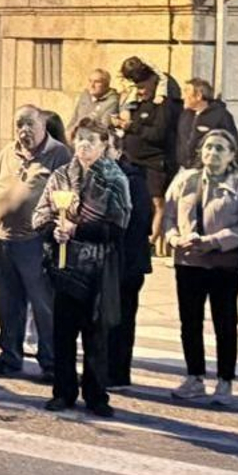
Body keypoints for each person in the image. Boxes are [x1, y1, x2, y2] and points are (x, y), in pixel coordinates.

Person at [32, 118, 131, 418]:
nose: (85, 145)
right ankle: (63, 390)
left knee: (96, 336)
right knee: (63, 334)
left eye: (92, 139)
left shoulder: (115, 179)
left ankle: (96, 393)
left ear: (103, 145)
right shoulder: (61, 175)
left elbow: (117, 227)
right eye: (81, 139)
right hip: (64, 267)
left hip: (98, 269)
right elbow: (39, 216)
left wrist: (77, 230)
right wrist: (54, 229)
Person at [162, 129, 238, 405]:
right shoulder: (184, 181)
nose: (212, 153)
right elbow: (169, 216)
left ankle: (225, 381)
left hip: (221, 266)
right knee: (189, 322)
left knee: (225, 323)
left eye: (220, 149)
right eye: (209, 147)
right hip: (188, 263)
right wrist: (174, 238)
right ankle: (194, 377)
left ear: (231, 155)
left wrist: (212, 241)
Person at [0, 106, 71, 380]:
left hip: (36, 240)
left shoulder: (58, 154)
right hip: (3, 237)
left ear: (43, 124)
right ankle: (9, 355)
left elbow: (67, 195)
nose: (24, 131)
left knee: (43, 303)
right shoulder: (7, 152)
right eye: (19, 125)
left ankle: (52, 361)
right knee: (8, 301)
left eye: (30, 124)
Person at [107, 129, 154, 391]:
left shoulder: (132, 179)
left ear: (116, 150)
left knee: (121, 318)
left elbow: (139, 221)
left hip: (126, 262)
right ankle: (103, 369)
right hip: (106, 260)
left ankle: (118, 373)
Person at [118, 57, 181, 249]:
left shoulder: (164, 104)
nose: (140, 92)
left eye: (143, 87)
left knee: (157, 203)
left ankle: (150, 243)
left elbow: (157, 133)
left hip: (155, 162)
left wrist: (132, 127)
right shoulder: (139, 102)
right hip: (134, 160)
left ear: (154, 83)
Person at [176, 78, 238, 171]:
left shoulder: (220, 115)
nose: (183, 97)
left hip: (210, 171)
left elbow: (234, 144)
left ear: (198, 95)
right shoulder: (185, 115)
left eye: (186, 92)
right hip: (185, 170)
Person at [69, 70, 120, 137]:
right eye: (90, 81)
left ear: (106, 85)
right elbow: (74, 118)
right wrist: (67, 132)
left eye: (97, 82)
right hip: (74, 138)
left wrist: (78, 129)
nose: (92, 85)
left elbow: (104, 129)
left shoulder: (112, 101)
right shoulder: (85, 95)